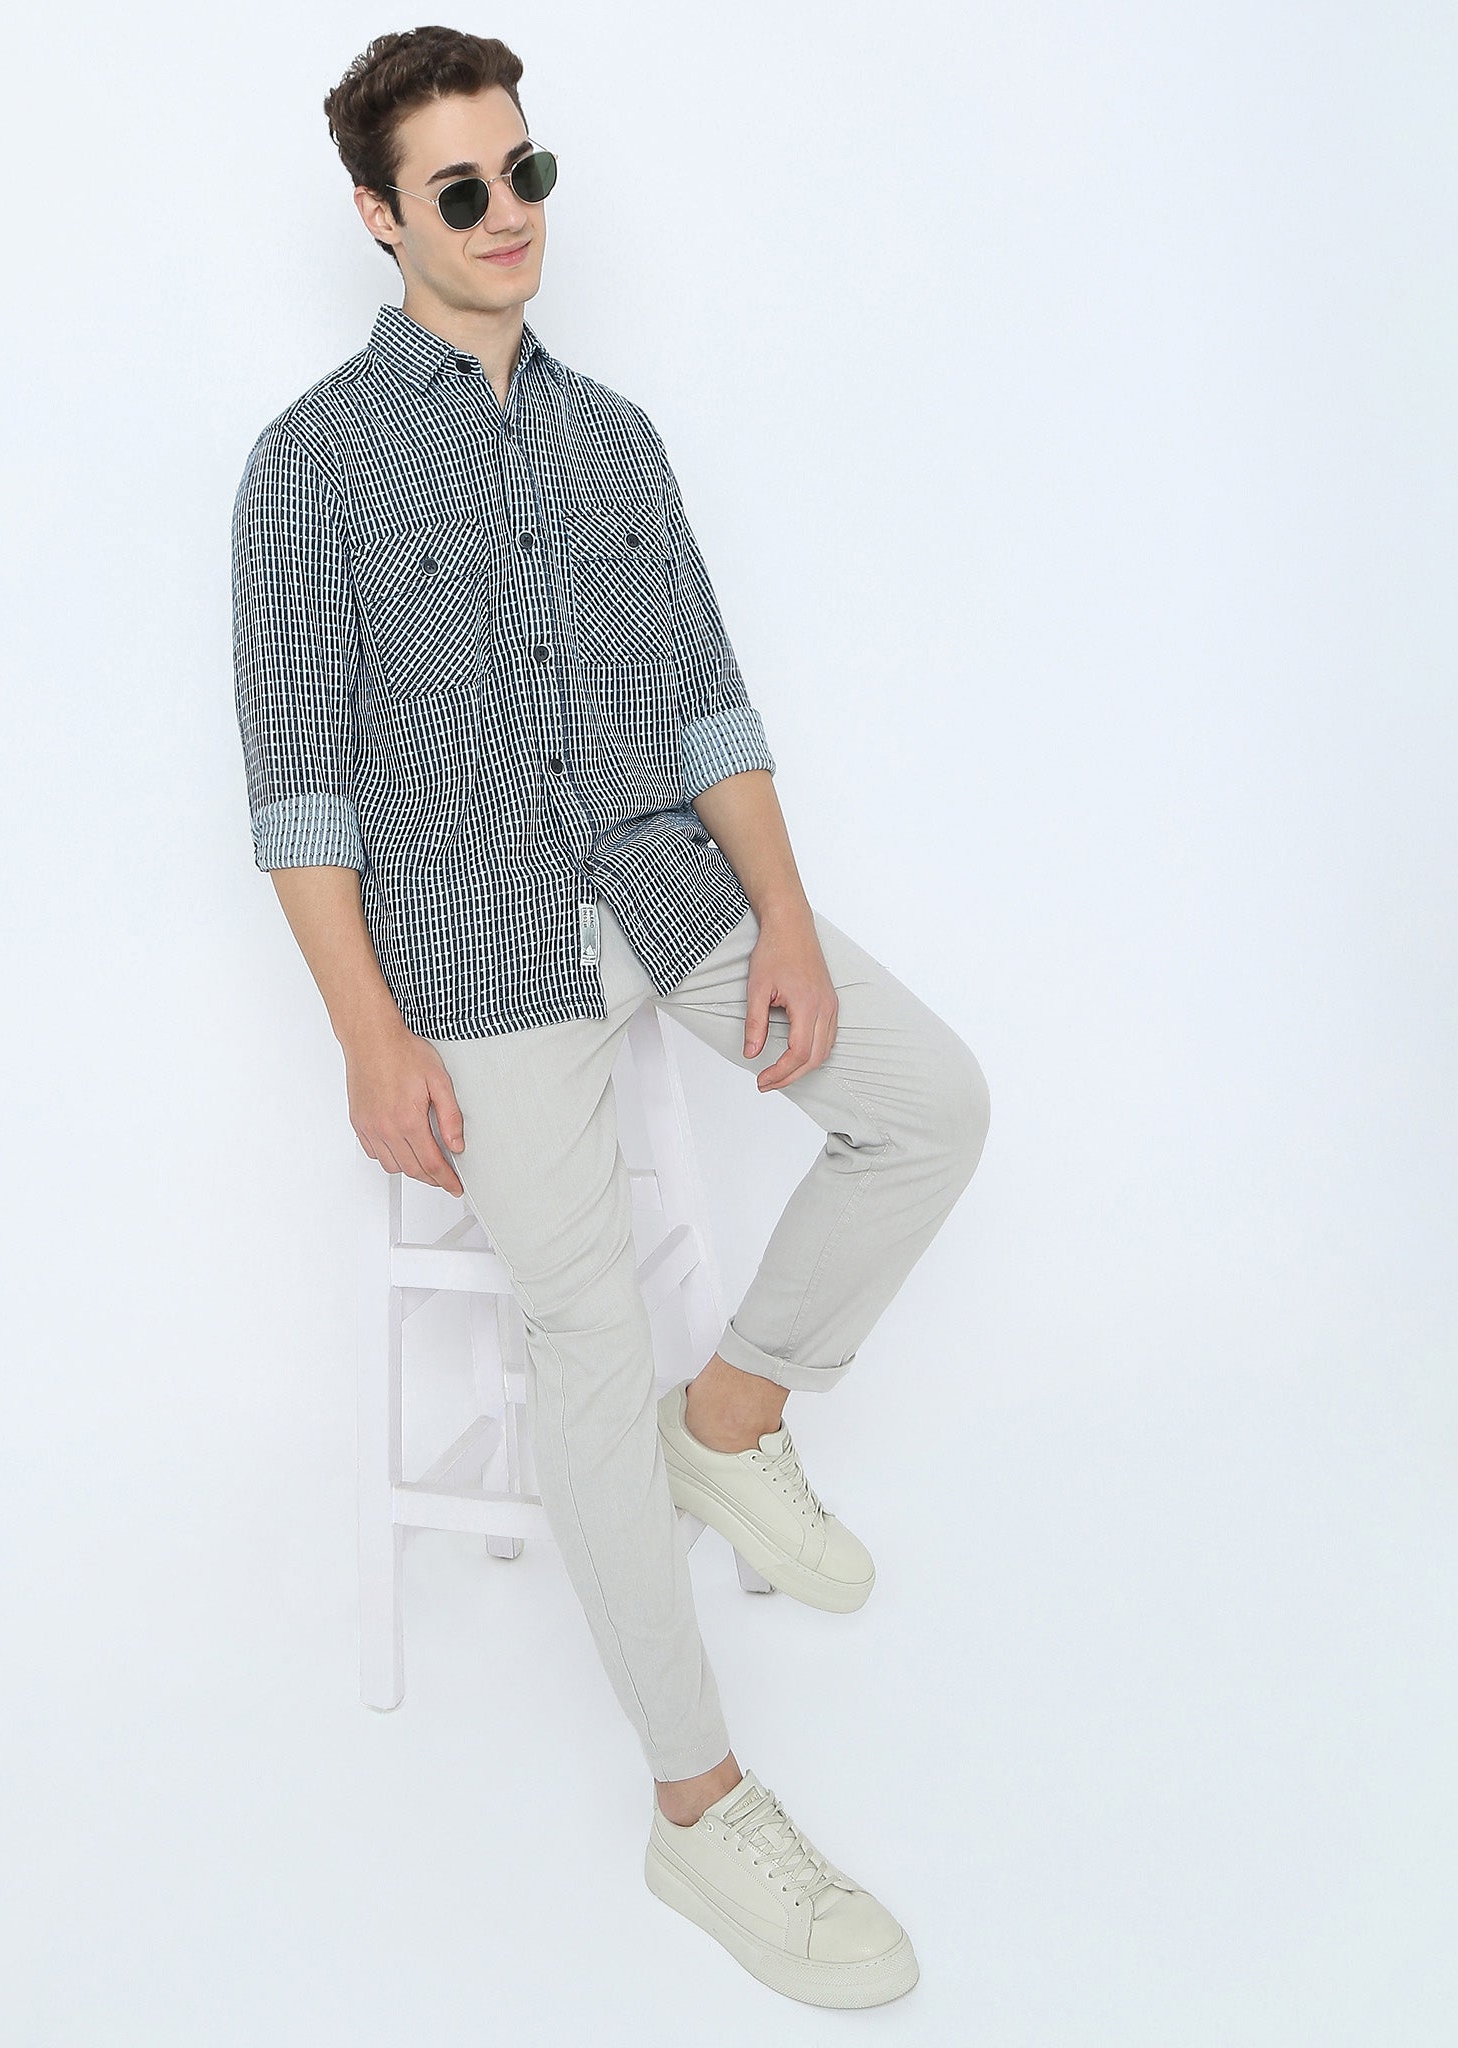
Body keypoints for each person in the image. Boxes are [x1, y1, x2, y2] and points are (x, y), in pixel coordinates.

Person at [229, 25, 989, 2011]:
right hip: (477, 948)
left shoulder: (616, 438)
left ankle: (725, 1422)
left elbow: (710, 700)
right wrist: (365, 1035)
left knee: (929, 1104)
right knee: (582, 1340)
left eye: (527, 173)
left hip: (669, 886)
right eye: (460, 190)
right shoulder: (308, 465)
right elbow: (297, 791)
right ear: (380, 216)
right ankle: (697, 1807)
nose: (509, 216)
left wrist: (785, 918)